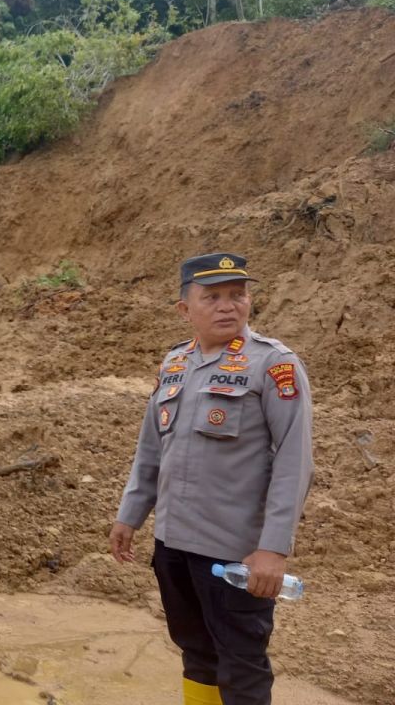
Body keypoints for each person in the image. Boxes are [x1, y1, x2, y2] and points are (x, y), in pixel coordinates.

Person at [110, 253, 314, 705]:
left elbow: (294, 461)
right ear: (185, 309)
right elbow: (151, 448)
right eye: (214, 297)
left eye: (237, 295)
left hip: (234, 555)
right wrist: (131, 514)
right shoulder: (175, 363)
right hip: (174, 545)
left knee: (241, 665)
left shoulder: (273, 365)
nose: (228, 306)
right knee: (196, 654)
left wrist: (273, 548)